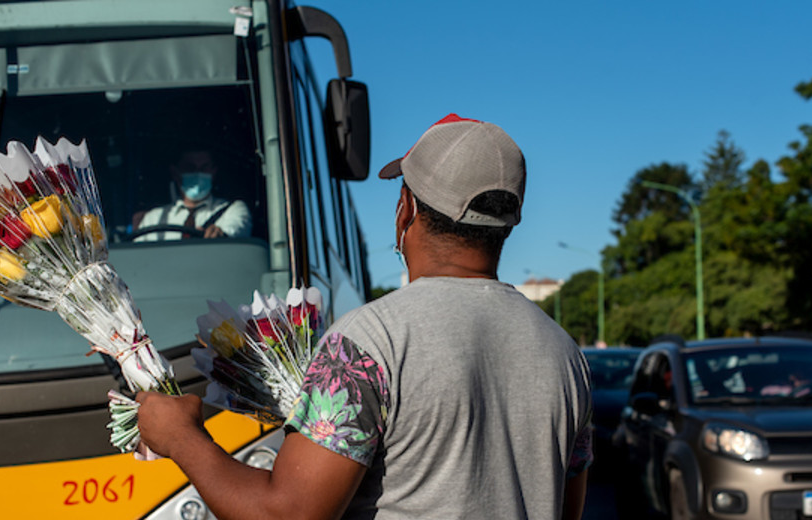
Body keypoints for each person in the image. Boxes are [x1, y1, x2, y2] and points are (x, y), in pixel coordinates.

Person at [136, 114, 593, 519]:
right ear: (507, 223)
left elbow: (287, 513)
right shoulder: (565, 355)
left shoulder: (371, 341)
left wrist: (182, 438)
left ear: (407, 209)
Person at [133, 148, 251, 241]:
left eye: (204, 168)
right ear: (175, 172)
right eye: (190, 168)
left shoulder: (233, 210)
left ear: (213, 172)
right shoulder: (153, 219)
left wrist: (219, 236)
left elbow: (235, 232)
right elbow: (138, 259)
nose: (198, 173)